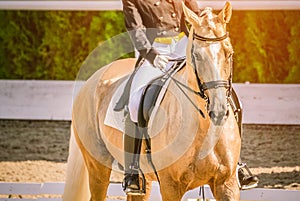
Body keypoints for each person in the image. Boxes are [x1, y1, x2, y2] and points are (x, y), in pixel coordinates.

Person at [116, 0, 258, 195]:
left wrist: (206, 20)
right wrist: (151, 54)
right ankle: (133, 171)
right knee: (134, 102)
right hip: (153, 50)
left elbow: (195, 14)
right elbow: (135, 29)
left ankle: (237, 164)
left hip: (185, 47)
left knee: (232, 98)